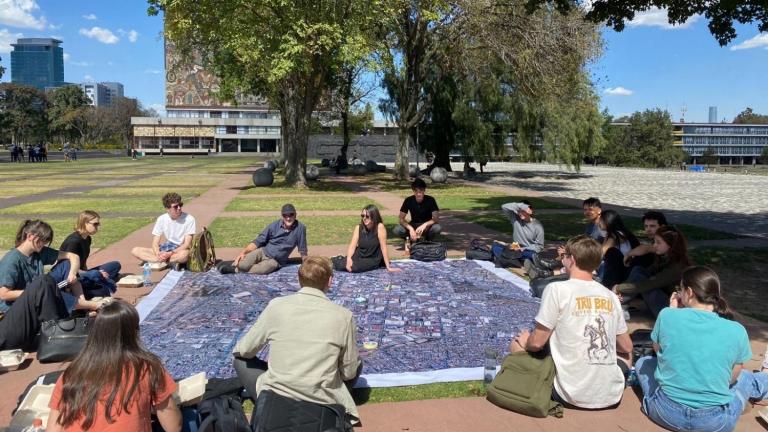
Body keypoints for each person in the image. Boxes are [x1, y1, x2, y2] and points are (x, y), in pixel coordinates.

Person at [635, 266, 768, 432]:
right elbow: (732, 378)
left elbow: (658, 350)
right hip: (715, 423)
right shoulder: (736, 330)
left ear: (689, 292)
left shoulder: (667, 315)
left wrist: (671, 310)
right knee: (745, 378)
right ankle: (763, 384)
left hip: (665, 413)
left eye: (680, 289)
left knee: (643, 362)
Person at [232, 256, 362, 422]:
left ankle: (273, 400)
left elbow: (244, 350)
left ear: (299, 280)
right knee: (357, 363)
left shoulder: (277, 306)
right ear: (329, 281)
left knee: (240, 361)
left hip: (277, 392)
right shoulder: (343, 316)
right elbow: (349, 372)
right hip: (320, 395)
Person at [511, 235, 632, 409]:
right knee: (627, 356)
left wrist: (525, 342)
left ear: (571, 260)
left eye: (564, 256)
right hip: (611, 396)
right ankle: (605, 382)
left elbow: (537, 342)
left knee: (517, 345)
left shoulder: (557, 289)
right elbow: (627, 347)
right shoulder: (611, 297)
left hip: (568, 393)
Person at [47, 301, 181, 432]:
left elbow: (53, 429)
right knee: (190, 417)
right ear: (133, 333)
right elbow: (174, 427)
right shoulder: (147, 368)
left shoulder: (71, 374)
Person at [0, 220, 104, 350]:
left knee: (63, 266)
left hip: (36, 303)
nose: (44, 244)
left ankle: (81, 307)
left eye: (46, 241)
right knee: (44, 284)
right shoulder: (12, 260)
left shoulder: (39, 252)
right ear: (30, 236)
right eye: (42, 240)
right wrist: (35, 293)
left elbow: (72, 256)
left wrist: (72, 273)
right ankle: (87, 307)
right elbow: (3, 294)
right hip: (13, 316)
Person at [613, 225, 692, 317]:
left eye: (658, 243)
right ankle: (618, 300)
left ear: (671, 245)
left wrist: (619, 288)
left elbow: (649, 284)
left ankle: (614, 301)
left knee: (642, 282)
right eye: (654, 242)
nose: (654, 245)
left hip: (673, 310)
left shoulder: (677, 266)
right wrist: (619, 290)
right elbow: (646, 273)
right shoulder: (665, 257)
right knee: (638, 270)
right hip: (664, 299)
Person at [219, 204, 307, 275]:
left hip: (276, 261)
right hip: (263, 251)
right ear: (282, 216)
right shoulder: (274, 225)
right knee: (243, 264)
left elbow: (303, 250)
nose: (288, 218)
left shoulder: (300, 228)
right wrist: (243, 252)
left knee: (262, 270)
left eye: (291, 215)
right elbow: (258, 241)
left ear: (295, 215)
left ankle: (235, 270)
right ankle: (236, 264)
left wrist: (306, 265)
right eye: (285, 215)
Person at [60, 210, 122, 299]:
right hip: (71, 277)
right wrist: (93, 273)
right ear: (85, 223)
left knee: (115, 265)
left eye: (98, 224)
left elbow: (83, 263)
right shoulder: (73, 242)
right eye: (95, 224)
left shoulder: (87, 239)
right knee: (99, 280)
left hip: (81, 273)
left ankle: (96, 283)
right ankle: (93, 285)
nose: (97, 227)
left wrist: (90, 273)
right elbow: (68, 269)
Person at [131, 192, 196, 269]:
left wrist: (170, 253)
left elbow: (187, 244)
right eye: (175, 206)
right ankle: (166, 262)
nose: (179, 208)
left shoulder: (189, 219)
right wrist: (158, 253)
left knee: (185, 255)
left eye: (180, 205)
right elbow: (155, 243)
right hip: (166, 247)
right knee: (135, 250)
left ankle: (154, 261)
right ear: (167, 209)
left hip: (179, 249)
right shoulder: (161, 219)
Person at [333, 204, 401, 273]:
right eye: (363, 216)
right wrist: (348, 259)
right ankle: (338, 259)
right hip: (359, 254)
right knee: (339, 264)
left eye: (367, 216)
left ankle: (340, 259)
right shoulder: (358, 228)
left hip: (372, 258)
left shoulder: (380, 227)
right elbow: (352, 246)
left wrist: (388, 267)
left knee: (354, 268)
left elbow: (384, 248)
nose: (364, 218)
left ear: (374, 216)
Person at [393, 178, 441, 251]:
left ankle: (428, 241)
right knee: (397, 229)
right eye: (416, 191)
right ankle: (410, 240)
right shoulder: (408, 200)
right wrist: (411, 229)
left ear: (424, 190)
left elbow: (436, 219)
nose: (418, 194)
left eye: (421, 191)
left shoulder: (431, 200)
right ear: (413, 191)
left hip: (427, 226)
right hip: (413, 224)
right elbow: (401, 219)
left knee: (437, 228)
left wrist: (424, 225)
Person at [597, 210, 640, 288]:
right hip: (625, 268)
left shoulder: (615, 236)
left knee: (610, 253)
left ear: (607, 221)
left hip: (621, 271)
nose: (599, 222)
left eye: (601, 220)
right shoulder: (621, 232)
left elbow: (601, 253)